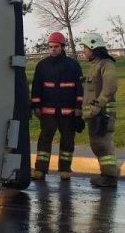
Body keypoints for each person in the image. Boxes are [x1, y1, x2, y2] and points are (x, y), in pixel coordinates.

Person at [30, 32, 83, 180]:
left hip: (68, 112)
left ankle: (65, 170)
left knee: (67, 141)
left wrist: (78, 107)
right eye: (50, 47)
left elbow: (79, 87)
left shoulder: (73, 65)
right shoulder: (42, 65)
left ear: (62, 47)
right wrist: (35, 106)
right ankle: (40, 170)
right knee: (44, 141)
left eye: (56, 47)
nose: (52, 49)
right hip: (47, 112)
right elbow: (36, 88)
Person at [77, 31, 119, 188]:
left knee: (103, 144)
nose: (84, 51)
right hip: (94, 114)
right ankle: (105, 174)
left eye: (85, 48)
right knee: (97, 144)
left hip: (103, 113)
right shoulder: (94, 65)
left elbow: (110, 88)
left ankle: (110, 176)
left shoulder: (106, 64)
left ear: (94, 47)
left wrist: (97, 106)